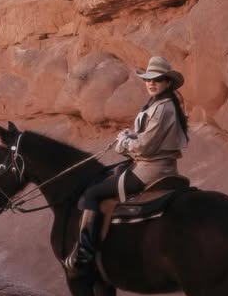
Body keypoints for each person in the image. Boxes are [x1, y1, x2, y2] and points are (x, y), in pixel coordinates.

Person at [65, 55, 189, 273]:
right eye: (148, 79)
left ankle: (84, 250)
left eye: (157, 79)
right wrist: (131, 135)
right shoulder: (160, 103)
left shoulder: (162, 108)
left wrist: (123, 143)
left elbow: (144, 147)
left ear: (168, 82)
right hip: (154, 165)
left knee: (93, 193)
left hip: (149, 171)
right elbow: (147, 136)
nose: (151, 83)